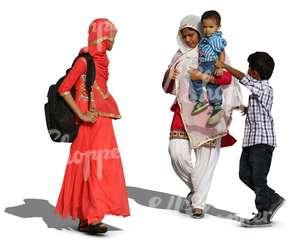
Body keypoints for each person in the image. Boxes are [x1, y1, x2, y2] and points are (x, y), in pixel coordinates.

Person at [163, 15, 242, 218]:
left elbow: (225, 78)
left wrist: (203, 76)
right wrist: (169, 76)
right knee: (177, 154)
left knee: (206, 161)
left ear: (200, 31)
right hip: (183, 109)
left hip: (209, 111)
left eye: (191, 34)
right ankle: (197, 191)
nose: (189, 39)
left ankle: (198, 203)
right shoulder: (178, 56)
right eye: (184, 36)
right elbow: (167, 87)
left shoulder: (214, 51)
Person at [55, 18, 130, 234]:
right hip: (89, 122)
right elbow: (64, 88)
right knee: (89, 167)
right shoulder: (84, 61)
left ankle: (89, 217)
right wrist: (81, 114)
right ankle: (92, 217)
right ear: (103, 35)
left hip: (103, 120)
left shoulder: (102, 61)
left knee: (101, 167)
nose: (113, 40)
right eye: (111, 35)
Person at [215, 52, 285, 227]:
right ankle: (273, 198)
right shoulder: (258, 91)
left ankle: (264, 214)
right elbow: (259, 106)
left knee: (259, 179)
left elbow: (244, 79)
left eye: (249, 69)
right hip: (251, 141)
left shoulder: (265, 88)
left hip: (262, 143)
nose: (247, 71)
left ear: (255, 73)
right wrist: (247, 108)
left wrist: (226, 67)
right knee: (244, 174)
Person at [190, 10, 227, 126]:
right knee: (194, 78)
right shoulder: (204, 38)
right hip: (203, 64)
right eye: (205, 27)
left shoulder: (215, 39)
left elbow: (221, 52)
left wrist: (220, 66)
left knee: (212, 85)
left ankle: (217, 106)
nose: (207, 29)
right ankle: (200, 100)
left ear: (218, 27)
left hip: (212, 64)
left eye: (211, 27)